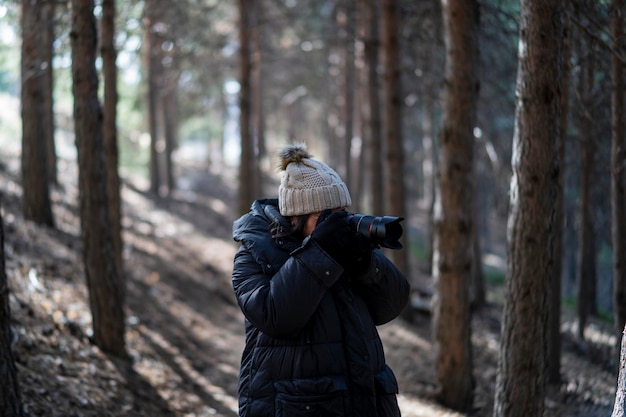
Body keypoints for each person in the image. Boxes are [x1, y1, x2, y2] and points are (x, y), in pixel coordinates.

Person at [231, 144, 410, 417]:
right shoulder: (254, 253)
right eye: (327, 217)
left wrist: (364, 260)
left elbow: (393, 304)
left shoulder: (342, 249)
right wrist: (320, 251)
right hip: (299, 406)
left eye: (342, 212)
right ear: (297, 216)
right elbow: (274, 315)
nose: (338, 224)